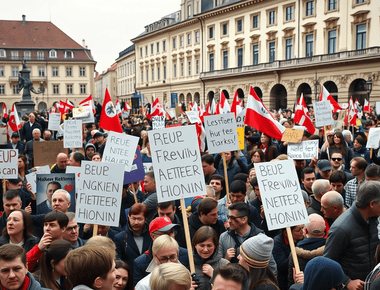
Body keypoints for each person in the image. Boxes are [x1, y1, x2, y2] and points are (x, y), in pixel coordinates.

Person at [323, 181, 380, 290]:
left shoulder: (373, 219)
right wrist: (346, 281)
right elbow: (327, 264)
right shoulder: (340, 229)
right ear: (372, 204)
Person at [218, 202, 277, 275]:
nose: (229, 221)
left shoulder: (259, 238)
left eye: (233, 218)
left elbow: (271, 268)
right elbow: (218, 267)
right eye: (229, 217)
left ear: (244, 219)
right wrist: (226, 260)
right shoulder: (224, 237)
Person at [133, 216, 189, 286]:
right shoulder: (140, 263)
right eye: (165, 234)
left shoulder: (186, 254)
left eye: (171, 232)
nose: (169, 236)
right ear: (152, 236)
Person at [287, 214, 326, 289]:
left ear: (305, 230)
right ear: (324, 229)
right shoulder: (330, 249)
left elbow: (291, 279)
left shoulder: (295, 253)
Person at [114, 203, 152, 274]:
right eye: (133, 218)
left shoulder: (152, 235)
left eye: (140, 219)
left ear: (146, 219)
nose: (136, 222)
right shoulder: (120, 238)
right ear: (128, 217)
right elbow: (118, 261)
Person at [273, 225, 304, 290]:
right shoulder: (277, 242)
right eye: (299, 230)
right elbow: (281, 266)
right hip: (284, 281)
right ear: (286, 233)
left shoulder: (304, 239)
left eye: (303, 228)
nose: (303, 231)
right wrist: (294, 253)